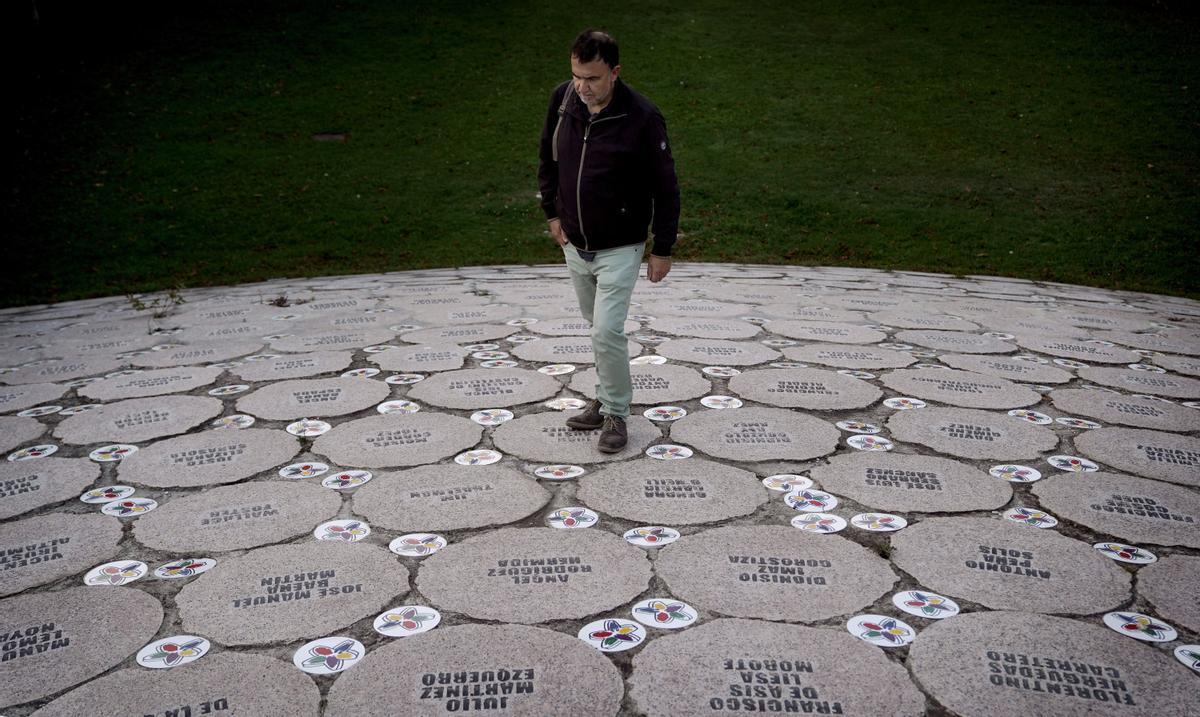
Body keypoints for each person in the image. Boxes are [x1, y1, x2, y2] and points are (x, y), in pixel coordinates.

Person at [537, 29, 680, 453]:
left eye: (593, 78)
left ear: (615, 73)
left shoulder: (642, 116)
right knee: (596, 328)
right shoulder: (564, 100)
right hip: (575, 242)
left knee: (606, 330)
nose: (582, 87)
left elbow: (666, 186)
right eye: (577, 75)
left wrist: (663, 247)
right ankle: (603, 398)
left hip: (621, 244)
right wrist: (551, 212)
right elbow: (547, 157)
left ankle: (616, 412)